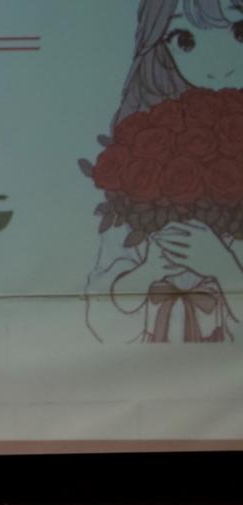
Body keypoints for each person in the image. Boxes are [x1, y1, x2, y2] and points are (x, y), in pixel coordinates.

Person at [84, 0, 243, 342]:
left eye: (239, 32)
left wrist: (223, 266)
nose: (215, 62)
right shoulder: (144, 153)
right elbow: (99, 320)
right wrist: (151, 269)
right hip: (149, 359)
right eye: (185, 40)